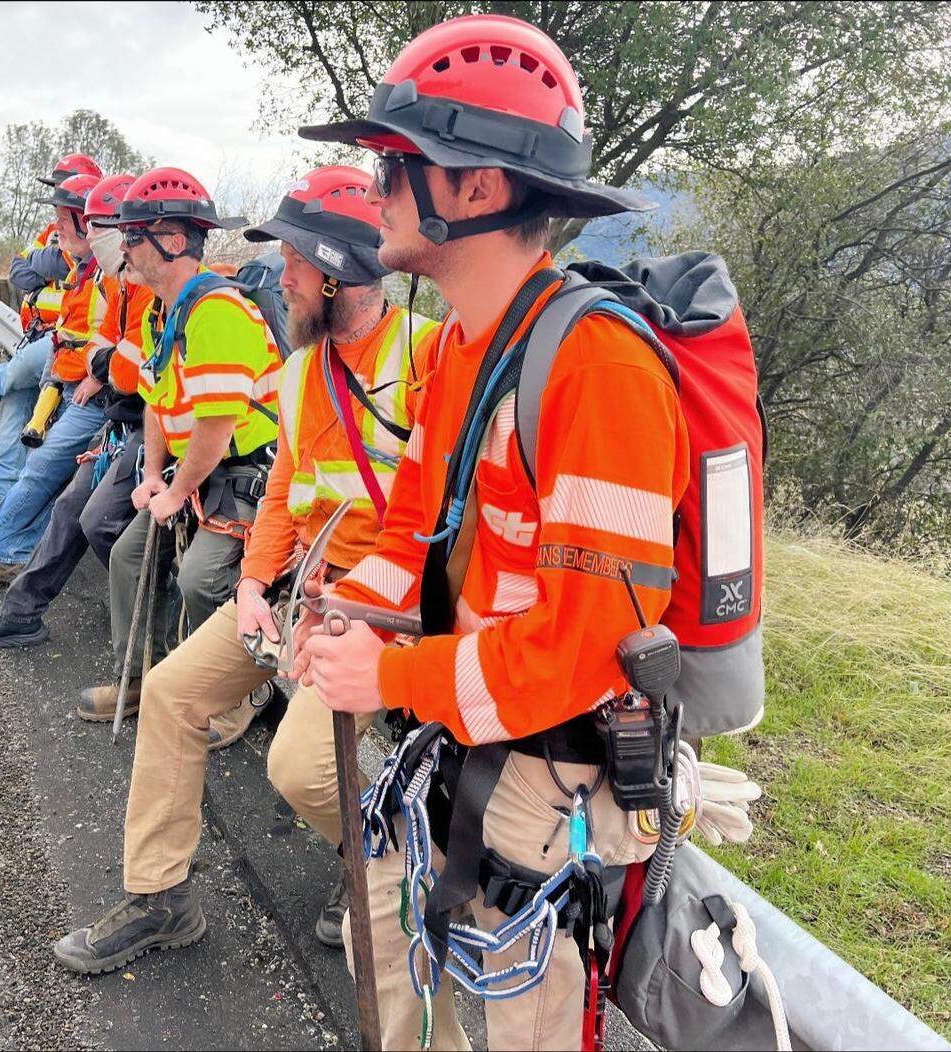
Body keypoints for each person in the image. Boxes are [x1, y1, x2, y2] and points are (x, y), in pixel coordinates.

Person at [290, 15, 690, 1050]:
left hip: (555, 764)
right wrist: (343, 613)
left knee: (529, 1024)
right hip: (474, 729)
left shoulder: (600, 373)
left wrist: (387, 681)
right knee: (383, 923)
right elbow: (417, 533)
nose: (372, 189)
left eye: (393, 164)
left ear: (476, 188)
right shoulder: (465, 351)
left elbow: (581, 648)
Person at [51, 166, 438, 974]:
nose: (281, 280)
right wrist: (258, 585)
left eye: (295, 263)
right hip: (303, 589)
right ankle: (162, 899)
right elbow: (283, 500)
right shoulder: (301, 372)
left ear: (335, 272)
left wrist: (344, 603)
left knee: (296, 767)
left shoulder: (429, 359)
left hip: (386, 613)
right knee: (170, 691)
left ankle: (387, 858)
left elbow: (442, 525)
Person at [74, 166, 280, 746]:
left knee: (201, 579)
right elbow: (156, 405)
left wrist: (172, 490)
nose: (124, 249)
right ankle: (141, 679)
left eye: (134, 236)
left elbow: (216, 430)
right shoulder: (161, 312)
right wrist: (151, 475)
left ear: (173, 239)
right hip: (194, 476)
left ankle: (246, 690)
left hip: (244, 476)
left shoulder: (217, 312)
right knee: (127, 557)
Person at [0, 174, 156, 653]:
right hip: (120, 417)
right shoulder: (120, 284)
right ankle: (17, 608)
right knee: (70, 506)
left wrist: (105, 364)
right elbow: (104, 355)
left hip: (137, 426)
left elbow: (129, 372)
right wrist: (104, 363)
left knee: (91, 517)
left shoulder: (146, 289)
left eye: (114, 229)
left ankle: (152, 648)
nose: (114, 240)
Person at [0, 172, 121, 591]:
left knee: (42, 474)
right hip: (66, 382)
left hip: (91, 393)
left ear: (91, 224)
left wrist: (93, 370)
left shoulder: (110, 277)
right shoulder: (90, 273)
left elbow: (113, 342)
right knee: (40, 471)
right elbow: (30, 279)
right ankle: (1, 553)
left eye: (65, 216)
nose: (58, 225)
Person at [0, 153, 101, 525]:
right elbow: (20, 269)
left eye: (64, 193)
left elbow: (53, 263)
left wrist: (45, 262)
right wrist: (44, 261)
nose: (57, 200)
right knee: (18, 393)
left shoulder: (94, 238)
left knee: (18, 375)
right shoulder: (55, 232)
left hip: (68, 342)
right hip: (41, 334)